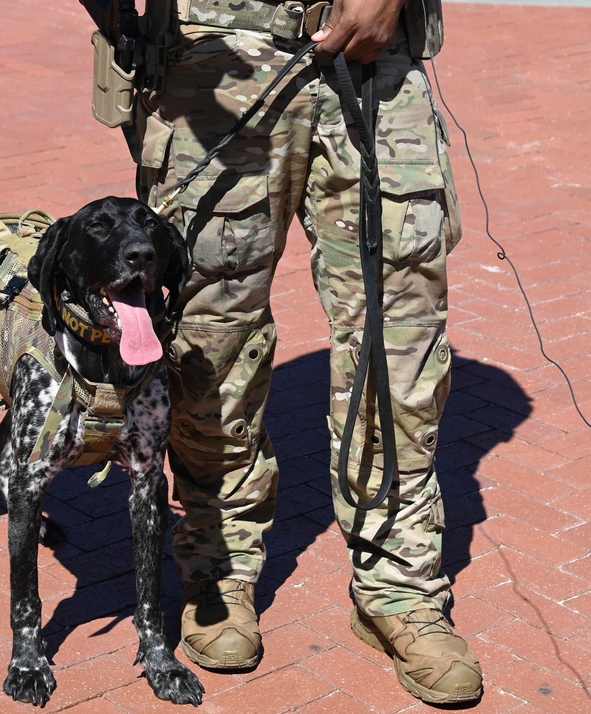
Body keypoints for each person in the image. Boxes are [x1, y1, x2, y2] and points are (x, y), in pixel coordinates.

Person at [130, 0, 482, 704]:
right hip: (216, 54)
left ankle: (398, 588)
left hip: (378, 53)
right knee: (208, 339)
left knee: (399, 344)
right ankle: (216, 566)